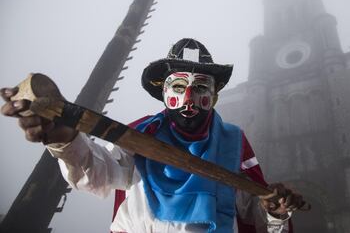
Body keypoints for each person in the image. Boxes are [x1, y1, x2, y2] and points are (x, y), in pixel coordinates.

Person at [1, 38, 305, 233]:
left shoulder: (234, 145)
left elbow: (256, 216)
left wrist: (275, 213)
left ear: (213, 97)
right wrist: (65, 139)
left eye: (200, 88)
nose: (188, 98)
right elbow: (98, 173)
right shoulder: (138, 135)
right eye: (177, 87)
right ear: (163, 94)